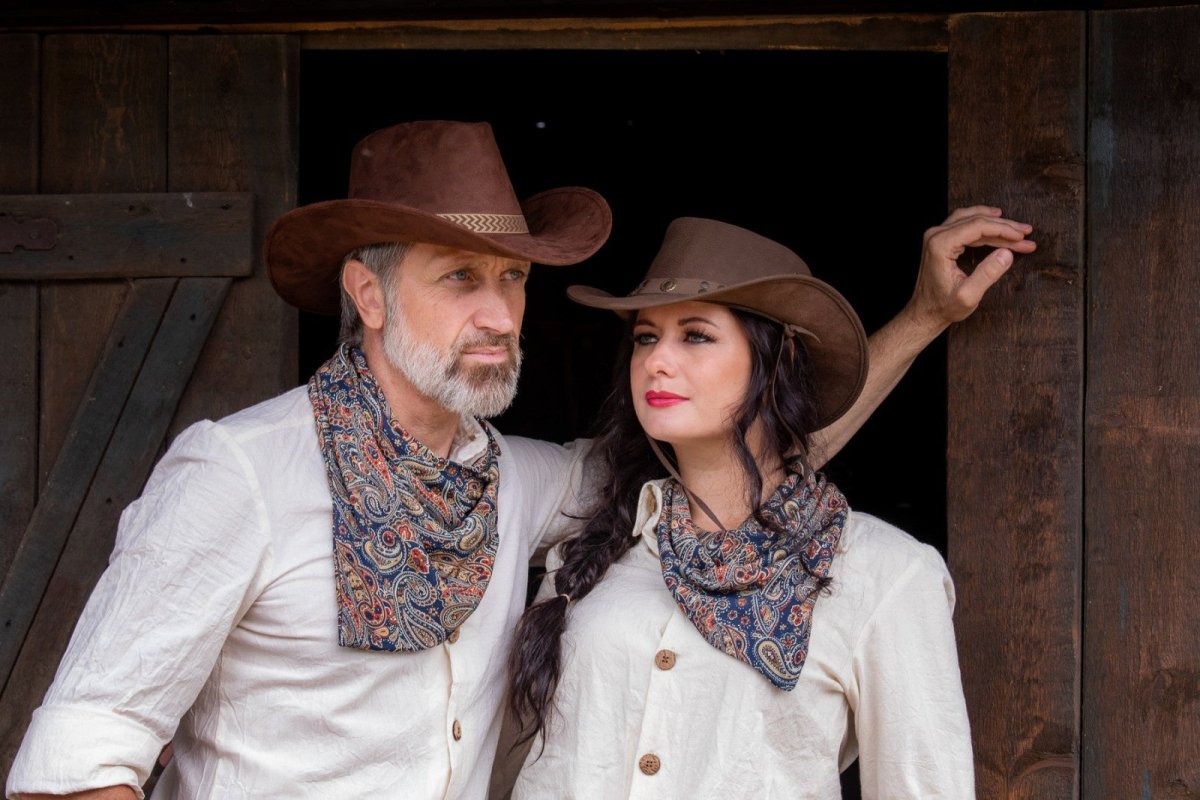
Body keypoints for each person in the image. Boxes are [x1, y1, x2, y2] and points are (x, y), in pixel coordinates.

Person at [6, 116, 1030, 799]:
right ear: (367, 296)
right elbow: (81, 751)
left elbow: (740, 458)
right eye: (461, 277)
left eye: (513, 277)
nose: (500, 314)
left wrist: (920, 319)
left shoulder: (523, 485)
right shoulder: (240, 472)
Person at [502, 215, 1035, 798]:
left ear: (778, 362)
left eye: (696, 335)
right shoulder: (595, 527)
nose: (656, 360)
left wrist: (927, 314)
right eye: (646, 337)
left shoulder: (886, 574)